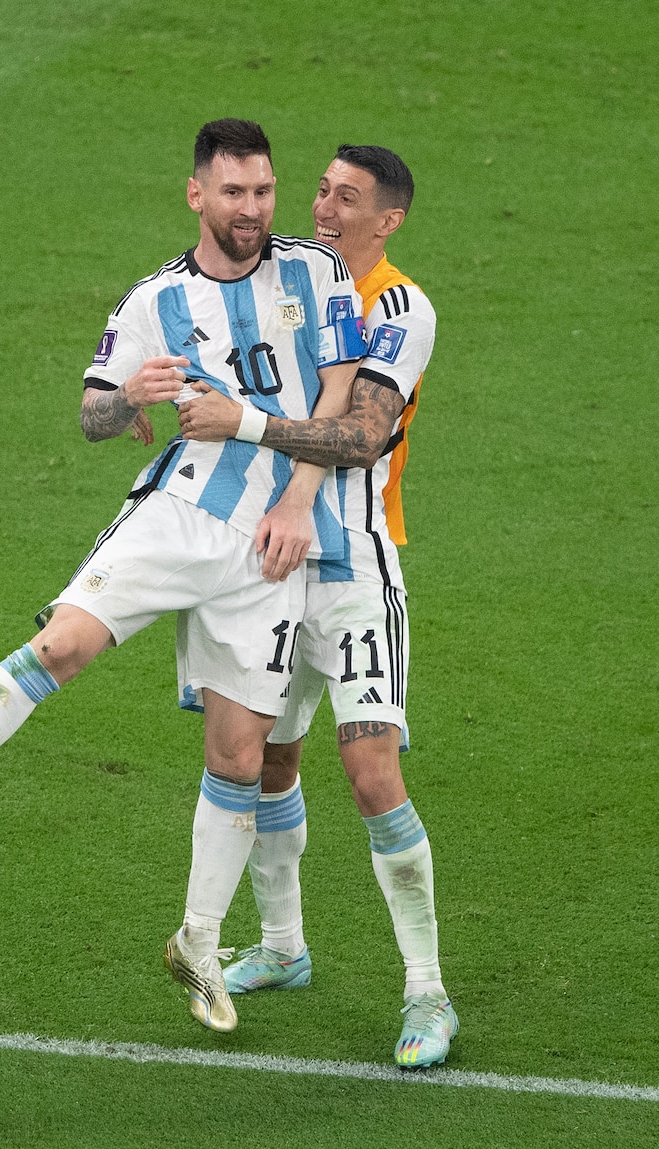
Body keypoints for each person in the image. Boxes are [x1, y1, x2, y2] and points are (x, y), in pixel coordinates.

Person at [0, 119, 367, 1035]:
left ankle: (198, 939)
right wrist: (127, 399)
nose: (253, 209)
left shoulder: (317, 271)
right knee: (62, 641)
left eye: (263, 191)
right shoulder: (154, 300)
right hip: (182, 511)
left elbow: (338, 396)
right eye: (234, 193)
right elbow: (94, 416)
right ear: (197, 195)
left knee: (239, 755)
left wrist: (299, 501)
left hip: (275, 542)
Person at [177, 145, 457, 1067]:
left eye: (349, 200)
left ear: (390, 220)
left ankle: (428, 991)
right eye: (322, 192)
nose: (325, 210)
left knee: (372, 775)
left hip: (355, 570)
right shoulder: (293, 275)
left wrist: (245, 423)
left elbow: (360, 433)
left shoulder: (400, 307)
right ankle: (284, 944)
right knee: (266, 757)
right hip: (271, 561)